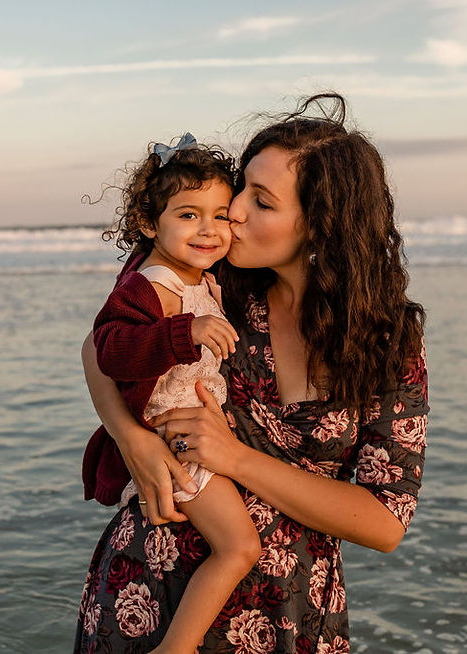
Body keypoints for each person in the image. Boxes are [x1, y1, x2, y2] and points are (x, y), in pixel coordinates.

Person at [75, 92, 428, 653]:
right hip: (147, 592)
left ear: (322, 226)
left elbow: (384, 521)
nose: (233, 212)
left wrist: (235, 457)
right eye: (243, 188)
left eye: (261, 202)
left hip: (287, 614)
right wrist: (133, 439)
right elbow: (102, 347)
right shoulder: (218, 289)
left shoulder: (383, 342)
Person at [82, 134, 262, 654]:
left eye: (219, 215)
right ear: (148, 222)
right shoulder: (154, 283)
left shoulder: (196, 276)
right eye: (188, 215)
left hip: (194, 434)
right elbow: (109, 348)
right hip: (178, 440)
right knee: (239, 546)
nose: (208, 229)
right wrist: (186, 332)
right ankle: (176, 648)